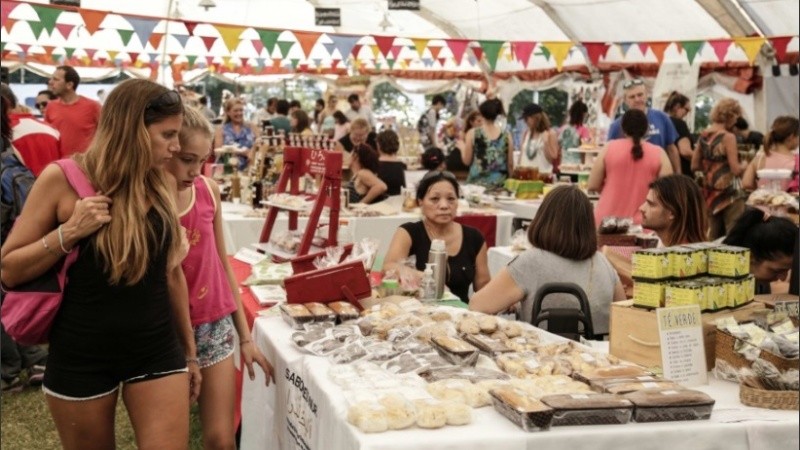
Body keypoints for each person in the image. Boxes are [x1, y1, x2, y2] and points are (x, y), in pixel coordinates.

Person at [0, 78, 200, 449]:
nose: (175, 147)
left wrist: (190, 353)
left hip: (156, 348)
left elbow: (172, 273)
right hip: (80, 354)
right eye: (167, 135)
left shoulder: (160, 182)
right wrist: (70, 231)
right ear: (132, 131)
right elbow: (10, 268)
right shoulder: (61, 178)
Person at [166, 107, 273, 448]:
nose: (194, 170)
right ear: (167, 149)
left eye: (202, 159)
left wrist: (244, 336)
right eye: (186, 159)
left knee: (221, 438)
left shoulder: (208, 190)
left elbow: (222, 265)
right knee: (170, 436)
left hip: (214, 324)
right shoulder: (148, 199)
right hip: (166, 328)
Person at [471, 185, 624, 334]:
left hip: (541, 353)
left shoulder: (532, 261)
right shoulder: (603, 263)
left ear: (543, 219)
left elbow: (478, 305)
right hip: (598, 355)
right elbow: (622, 314)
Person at [1, 95, 48, 393]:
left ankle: (6, 370)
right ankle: (35, 359)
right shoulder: (9, 142)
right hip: (18, 222)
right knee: (11, 293)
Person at [384, 171, 490, 303]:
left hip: (460, 314)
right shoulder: (408, 232)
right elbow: (389, 266)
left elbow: (483, 286)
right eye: (435, 199)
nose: (444, 206)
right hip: (417, 313)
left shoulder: (474, 237)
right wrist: (424, 277)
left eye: (451, 199)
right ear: (420, 202)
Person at [588, 109, 673, 224]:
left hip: (607, 221)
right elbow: (668, 192)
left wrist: (612, 189)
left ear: (623, 128)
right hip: (644, 224)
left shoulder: (608, 148)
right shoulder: (659, 154)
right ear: (647, 128)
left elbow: (592, 185)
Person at [691, 98, 748, 240]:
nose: (736, 122)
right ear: (731, 116)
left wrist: (711, 168)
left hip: (710, 192)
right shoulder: (728, 137)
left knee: (712, 235)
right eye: (736, 117)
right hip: (730, 192)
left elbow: (694, 165)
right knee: (734, 235)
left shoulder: (704, 135)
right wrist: (745, 166)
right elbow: (735, 169)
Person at [607, 78, 680, 173]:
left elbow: (672, 149)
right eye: (632, 97)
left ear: (646, 95)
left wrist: (678, 176)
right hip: (630, 176)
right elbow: (610, 154)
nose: (637, 99)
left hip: (659, 177)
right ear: (625, 100)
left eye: (640, 95)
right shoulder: (617, 125)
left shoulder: (662, 117)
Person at [723, 207, 797, 294]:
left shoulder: (758, 282)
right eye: (776, 271)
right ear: (750, 257)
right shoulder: (724, 290)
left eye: (787, 270)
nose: (783, 278)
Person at [0, 83, 60, 177]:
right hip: (53, 188)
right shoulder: (52, 129)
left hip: (20, 189)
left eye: (44, 104)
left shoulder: (5, 132)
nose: (41, 108)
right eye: (37, 105)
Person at [44, 65, 101, 157]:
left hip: (85, 165)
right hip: (59, 165)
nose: (50, 82)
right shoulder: (51, 106)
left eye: (56, 79)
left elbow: (107, 133)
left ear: (69, 85)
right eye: (51, 79)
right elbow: (47, 137)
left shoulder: (93, 106)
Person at [639, 175, 708, 247]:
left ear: (672, 213)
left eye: (651, 204)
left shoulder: (685, 255)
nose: (641, 208)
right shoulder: (662, 245)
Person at [462, 99, 514, 187]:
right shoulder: (507, 135)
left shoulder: (472, 133)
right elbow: (510, 164)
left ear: (481, 113)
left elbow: (467, 161)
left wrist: (461, 147)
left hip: (476, 185)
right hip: (499, 185)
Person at [742, 115, 799, 192]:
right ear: (791, 137)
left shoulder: (760, 157)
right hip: (789, 203)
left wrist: (761, 191)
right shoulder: (796, 161)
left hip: (761, 203)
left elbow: (746, 183)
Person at [214, 98, 258, 172]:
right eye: (236, 111)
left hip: (249, 170)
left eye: (241, 110)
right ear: (228, 112)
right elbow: (217, 153)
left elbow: (261, 145)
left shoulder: (252, 126)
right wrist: (241, 152)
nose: (239, 113)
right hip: (225, 170)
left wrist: (253, 150)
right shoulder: (221, 129)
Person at [517, 103, 559, 174]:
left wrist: (546, 143)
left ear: (535, 118)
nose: (525, 122)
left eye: (526, 119)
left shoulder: (550, 133)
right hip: (525, 177)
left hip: (542, 176)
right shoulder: (526, 133)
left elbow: (552, 159)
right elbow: (521, 156)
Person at [664, 91, 695, 176]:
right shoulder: (679, 123)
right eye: (687, 109)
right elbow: (685, 151)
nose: (687, 113)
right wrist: (702, 159)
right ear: (677, 107)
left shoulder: (661, 122)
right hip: (682, 174)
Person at [557, 100, 591, 168]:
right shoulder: (583, 130)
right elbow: (584, 152)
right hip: (577, 166)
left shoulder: (562, 129)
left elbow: (558, 149)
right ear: (583, 114)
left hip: (563, 165)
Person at [376, 129, 406, 196]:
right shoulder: (403, 166)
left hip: (377, 203)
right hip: (398, 203)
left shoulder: (374, 165)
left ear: (379, 145)